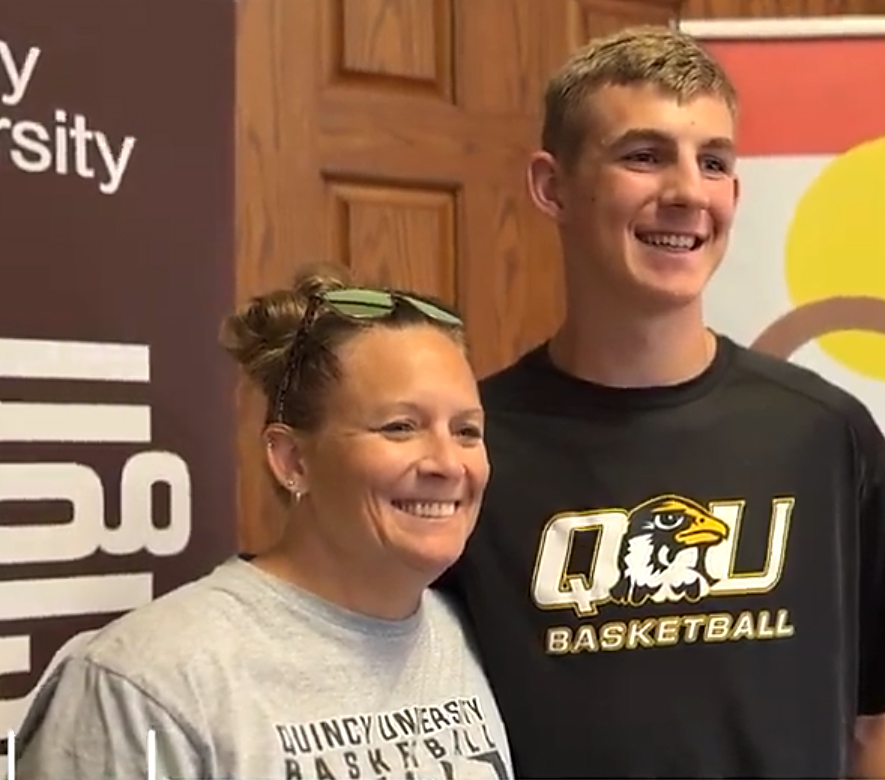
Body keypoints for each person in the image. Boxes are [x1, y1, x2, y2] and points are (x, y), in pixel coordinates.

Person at [439, 25, 885, 779]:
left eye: (713, 162)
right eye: (643, 156)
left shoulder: (827, 435)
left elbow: (880, 731)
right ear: (552, 186)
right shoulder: (469, 451)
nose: (686, 193)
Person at [12, 268, 514, 780]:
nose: (448, 464)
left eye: (466, 431)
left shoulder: (476, 634)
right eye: (400, 427)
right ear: (293, 459)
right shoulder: (145, 680)